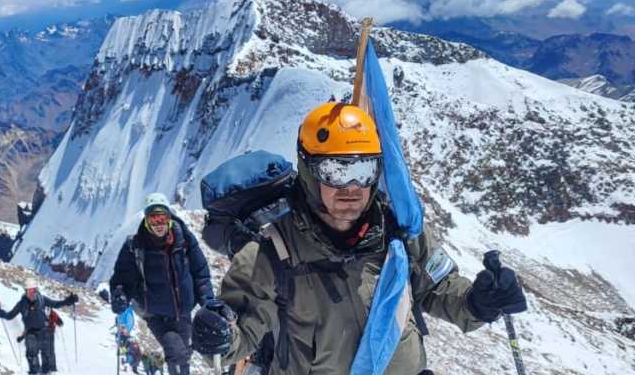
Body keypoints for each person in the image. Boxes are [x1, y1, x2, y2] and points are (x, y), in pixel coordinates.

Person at [190, 102, 528, 374]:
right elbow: (240, 333)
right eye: (336, 171)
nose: (351, 187)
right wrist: (218, 336)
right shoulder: (269, 252)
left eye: (363, 170)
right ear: (309, 171)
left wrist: (479, 302)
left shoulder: (399, 232)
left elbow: (438, 288)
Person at [110, 193, 215, 375]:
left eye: (163, 218)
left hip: (183, 313)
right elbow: (122, 279)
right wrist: (120, 295)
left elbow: (200, 272)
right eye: (154, 219)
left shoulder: (185, 240)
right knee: (177, 353)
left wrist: (208, 300)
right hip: (157, 315)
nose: (159, 224)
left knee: (182, 358)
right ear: (146, 220)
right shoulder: (135, 247)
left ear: (169, 218)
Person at [0, 278, 79, 374]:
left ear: (36, 290)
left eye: (33, 290)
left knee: (47, 355)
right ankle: (35, 372)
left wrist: (68, 301)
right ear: (25, 290)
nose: (32, 292)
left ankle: (46, 372)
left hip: (44, 331)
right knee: (32, 356)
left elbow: (55, 304)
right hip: (30, 333)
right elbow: (10, 315)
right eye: (29, 290)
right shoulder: (22, 304)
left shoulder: (42, 299)